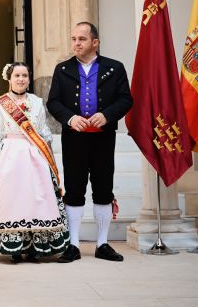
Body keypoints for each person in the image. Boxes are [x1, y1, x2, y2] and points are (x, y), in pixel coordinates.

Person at [46, 21, 132, 263]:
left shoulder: (115, 68)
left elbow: (126, 99)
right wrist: (70, 118)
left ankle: (102, 244)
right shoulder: (62, 69)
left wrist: (107, 115)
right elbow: (53, 102)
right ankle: (72, 245)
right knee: (74, 189)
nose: (76, 43)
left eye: (81, 39)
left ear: (95, 42)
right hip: (74, 138)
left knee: (103, 189)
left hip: (103, 137)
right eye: (73, 39)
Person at [0, 62, 69, 262]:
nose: (21, 79)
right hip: (11, 156)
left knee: (35, 199)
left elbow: (43, 131)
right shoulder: (1, 103)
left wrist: (50, 160)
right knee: (14, 200)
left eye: (25, 75)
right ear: (9, 78)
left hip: (35, 155)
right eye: (17, 75)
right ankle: (14, 247)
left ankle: (35, 247)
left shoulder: (36, 101)